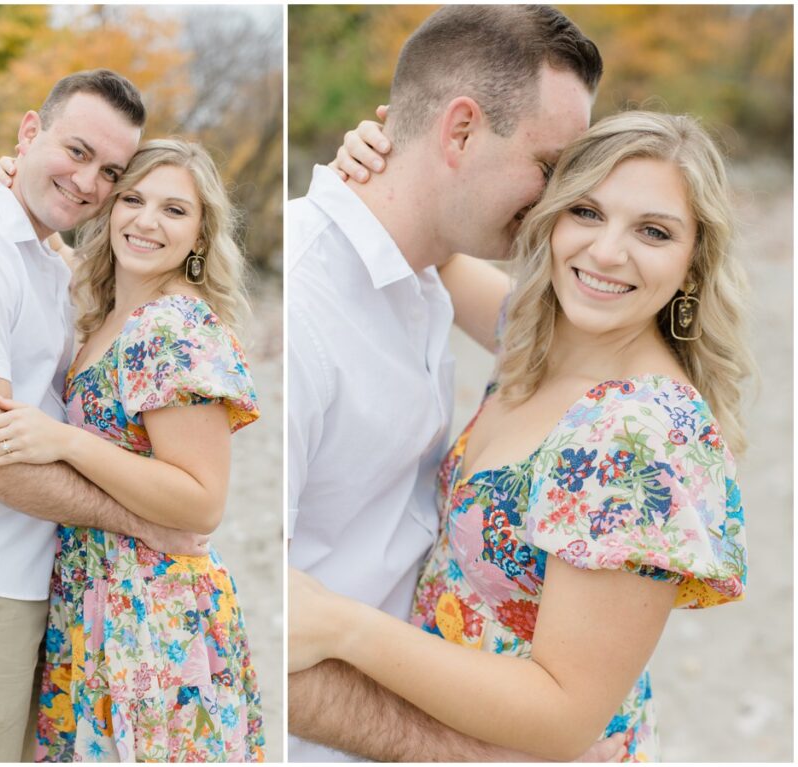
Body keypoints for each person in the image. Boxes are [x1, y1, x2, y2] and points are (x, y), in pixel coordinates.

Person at [290, 110, 752, 762]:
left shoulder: (639, 440)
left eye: (653, 231)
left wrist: (341, 626)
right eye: (587, 212)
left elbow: (564, 714)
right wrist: (376, 163)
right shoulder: (539, 334)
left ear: (694, 260)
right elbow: (421, 240)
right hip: (440, 733)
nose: (606, 251)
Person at [287, 5, 622, 761]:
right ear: (461, 130)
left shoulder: (426, 274)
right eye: (550, 166)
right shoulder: (310, 308)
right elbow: (255, 622)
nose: (560, 200)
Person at [0, 70, 209, 762]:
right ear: (30, 132)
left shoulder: (43, 260)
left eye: (110, 170)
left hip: (28, 577)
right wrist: (141, 521)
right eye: (76, 151)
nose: (89, 181)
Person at [0, 139, 265, 761]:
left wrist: (66, 442)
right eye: (133, 199)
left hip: (153, 617)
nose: (147, 221)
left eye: (175, 210)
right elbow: (51, 244)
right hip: (94, 599)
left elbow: (202, 502)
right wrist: (9, 183)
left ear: (202, 234)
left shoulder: (172, 326)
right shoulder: (109, 310)